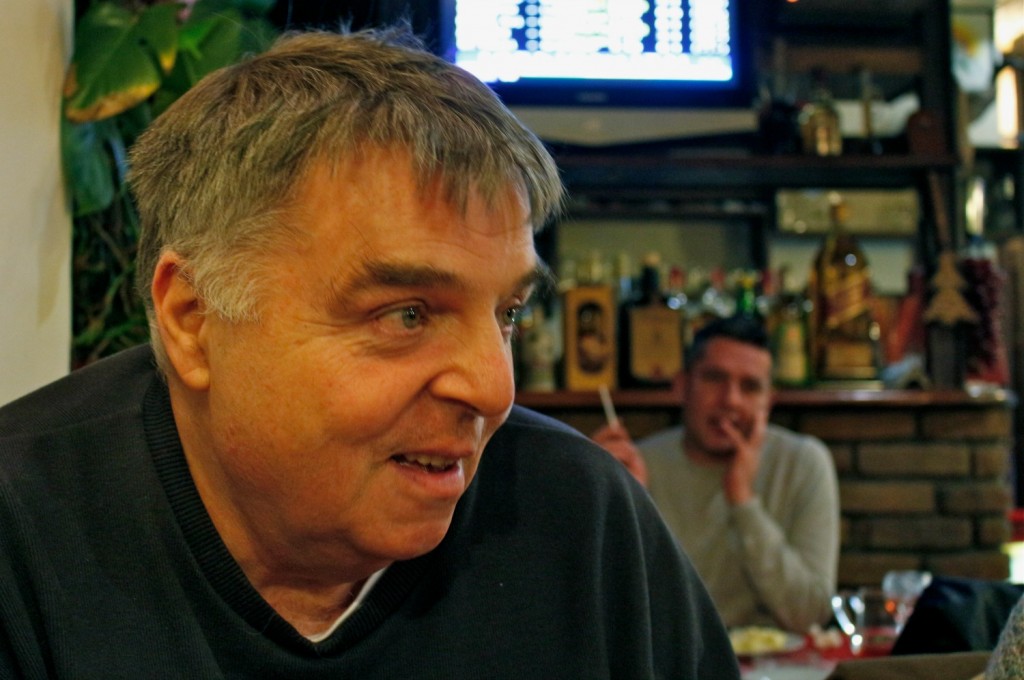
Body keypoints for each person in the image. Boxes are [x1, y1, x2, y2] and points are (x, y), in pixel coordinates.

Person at [0, 27, 740, 678]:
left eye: (507, 314)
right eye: (408, 314)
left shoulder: (582, 521)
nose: (493, 390)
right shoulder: (22, 533)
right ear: (194, 320)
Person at [593, 315, 840, 633]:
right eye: (714, 378)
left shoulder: (804, 463)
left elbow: (811, 614)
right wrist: (619, 502)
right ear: (682, 386)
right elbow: (612, 612)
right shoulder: (635, 466)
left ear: (768, 401)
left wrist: (744, 502)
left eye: (750, 387)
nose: (730, 400)